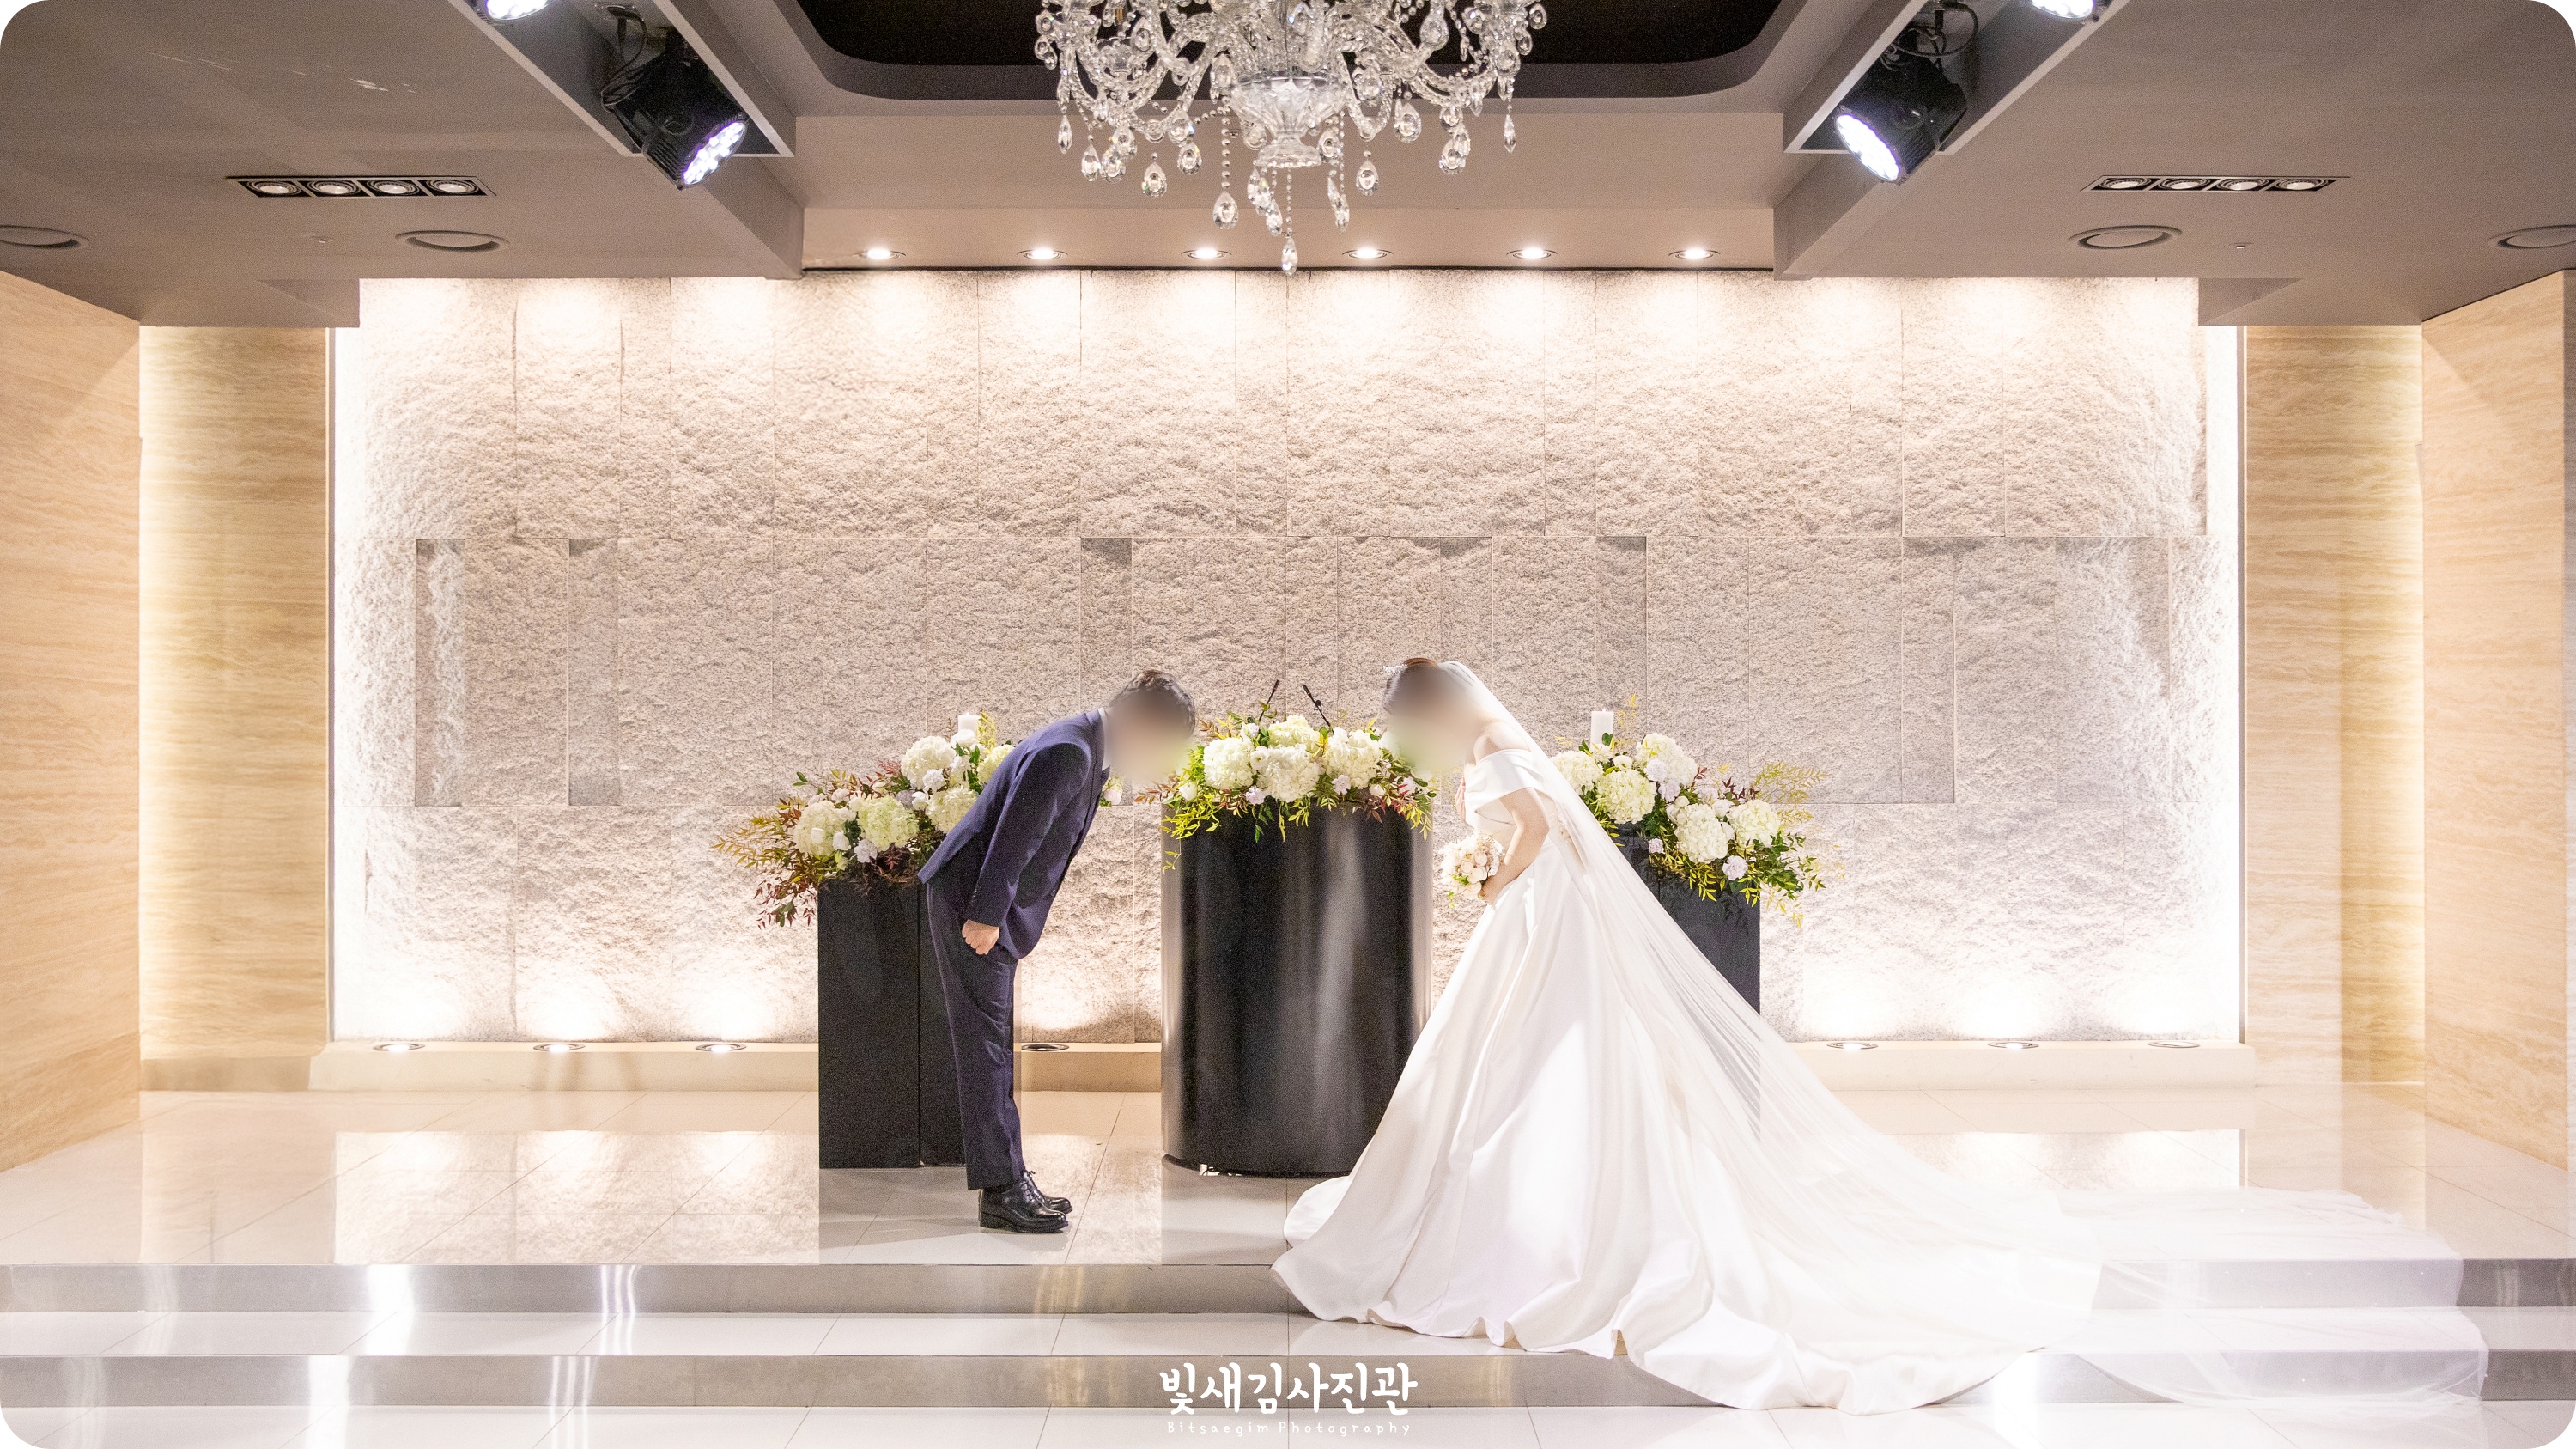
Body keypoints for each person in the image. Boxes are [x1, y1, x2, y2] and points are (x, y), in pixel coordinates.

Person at [916, 669, 1198, 1233]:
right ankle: (1003, 1191)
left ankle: (1010, 1179)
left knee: (993, 1044)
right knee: (986, 1048)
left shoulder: (1085, 744)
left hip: (982, 901)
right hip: (974, 903)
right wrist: (986, 915)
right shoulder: (1070, 751)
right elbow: (1014, 838)